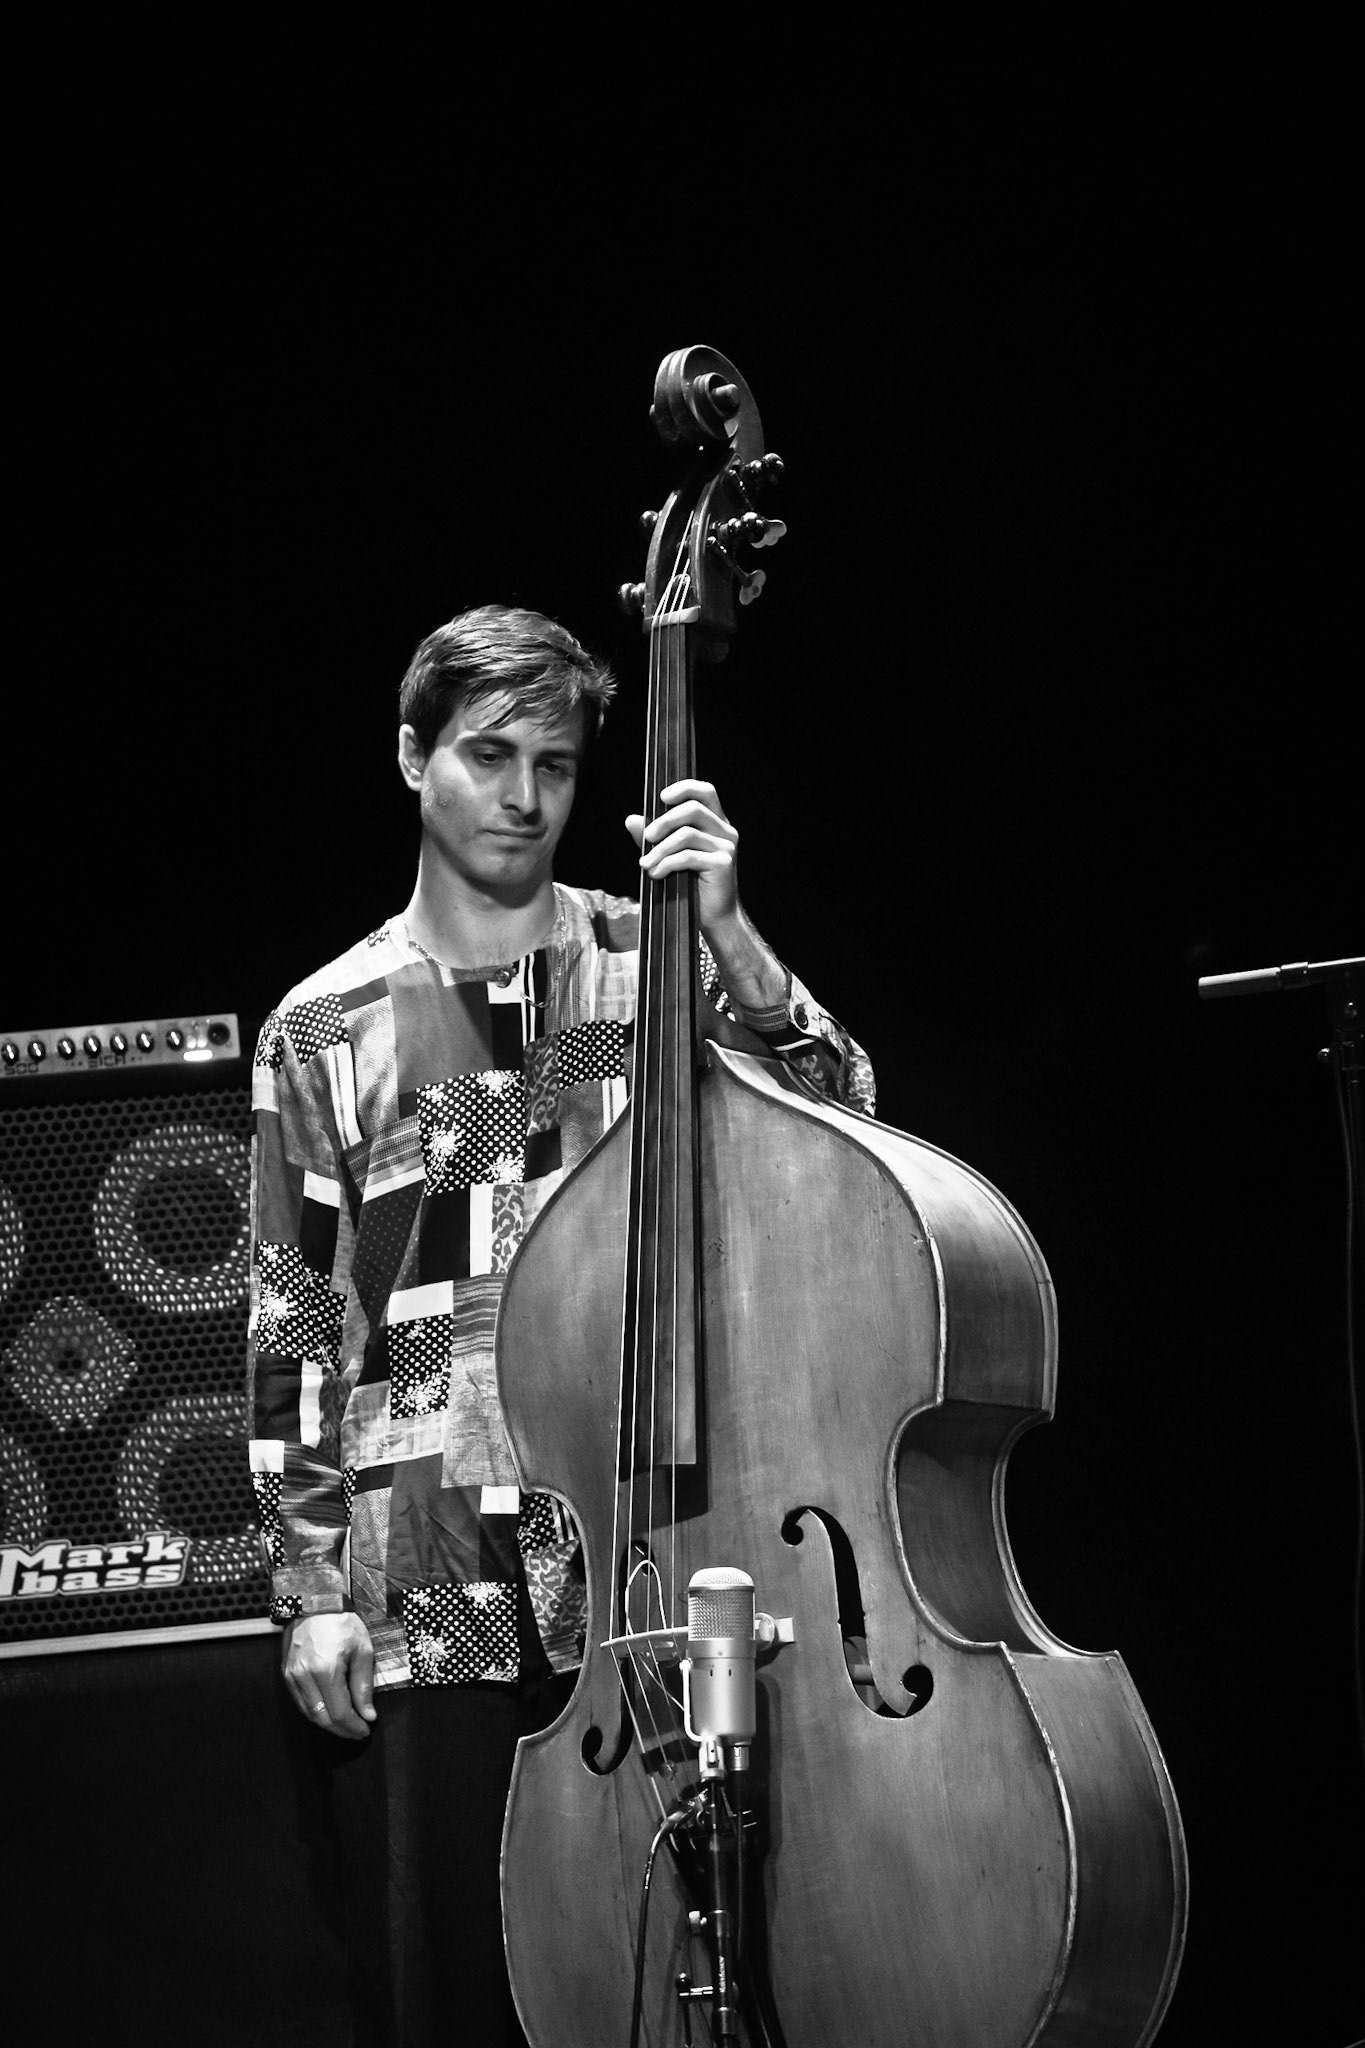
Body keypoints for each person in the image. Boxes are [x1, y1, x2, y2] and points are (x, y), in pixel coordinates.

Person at [246, 604, 874, 2045]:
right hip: (431, 1576)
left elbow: (845, 1120)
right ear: (412, 757)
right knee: (454, 1993)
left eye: (556, 764)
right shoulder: (324, 1024)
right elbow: (294, 1325)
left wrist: (728, 928)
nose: (523, 796)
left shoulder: (654, 964)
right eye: (487, 755)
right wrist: (310, 1589)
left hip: (653, 1546)